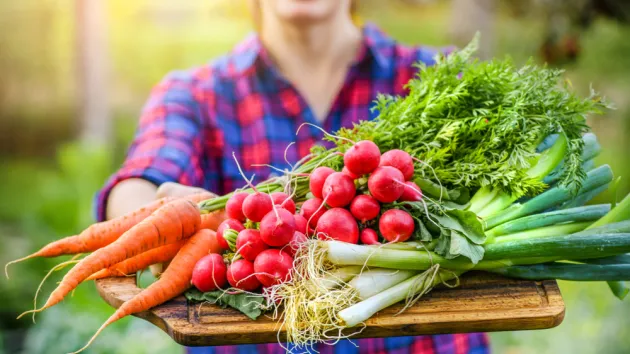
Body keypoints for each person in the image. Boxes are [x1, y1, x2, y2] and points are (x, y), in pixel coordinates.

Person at [95, 0, 490, 353]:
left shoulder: (440, 80)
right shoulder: (194, 95)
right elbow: (142, 175)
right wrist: (155, 222)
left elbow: (524, 186)